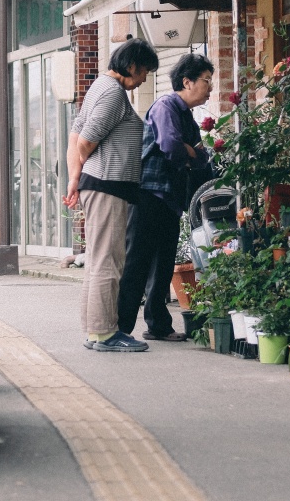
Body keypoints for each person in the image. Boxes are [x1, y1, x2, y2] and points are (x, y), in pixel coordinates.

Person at [64, 38, 160, 353]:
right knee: (108, 260)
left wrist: (75, 178)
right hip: (108, 185)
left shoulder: (98, 87)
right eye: (145, 70)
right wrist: (78, 174)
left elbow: (75, 133)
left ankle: (96, 331)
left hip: (98, 184)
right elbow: (85, 141)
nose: (145, 78)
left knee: (97, 259)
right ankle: (105, 333)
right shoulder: (112, 93)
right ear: (131, 65)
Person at [117, 53, 214, 342]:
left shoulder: (186, 115)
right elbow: (171, 146)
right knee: (137, 262)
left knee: (163, 262)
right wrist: (191, 152)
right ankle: (119, 329)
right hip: (148, 193)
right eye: (206, 81)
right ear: (187, 81)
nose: (210, 87)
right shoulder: (165, 106)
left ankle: (158, 325)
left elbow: (201, 157)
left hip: (170, 197)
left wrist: (192, 153)